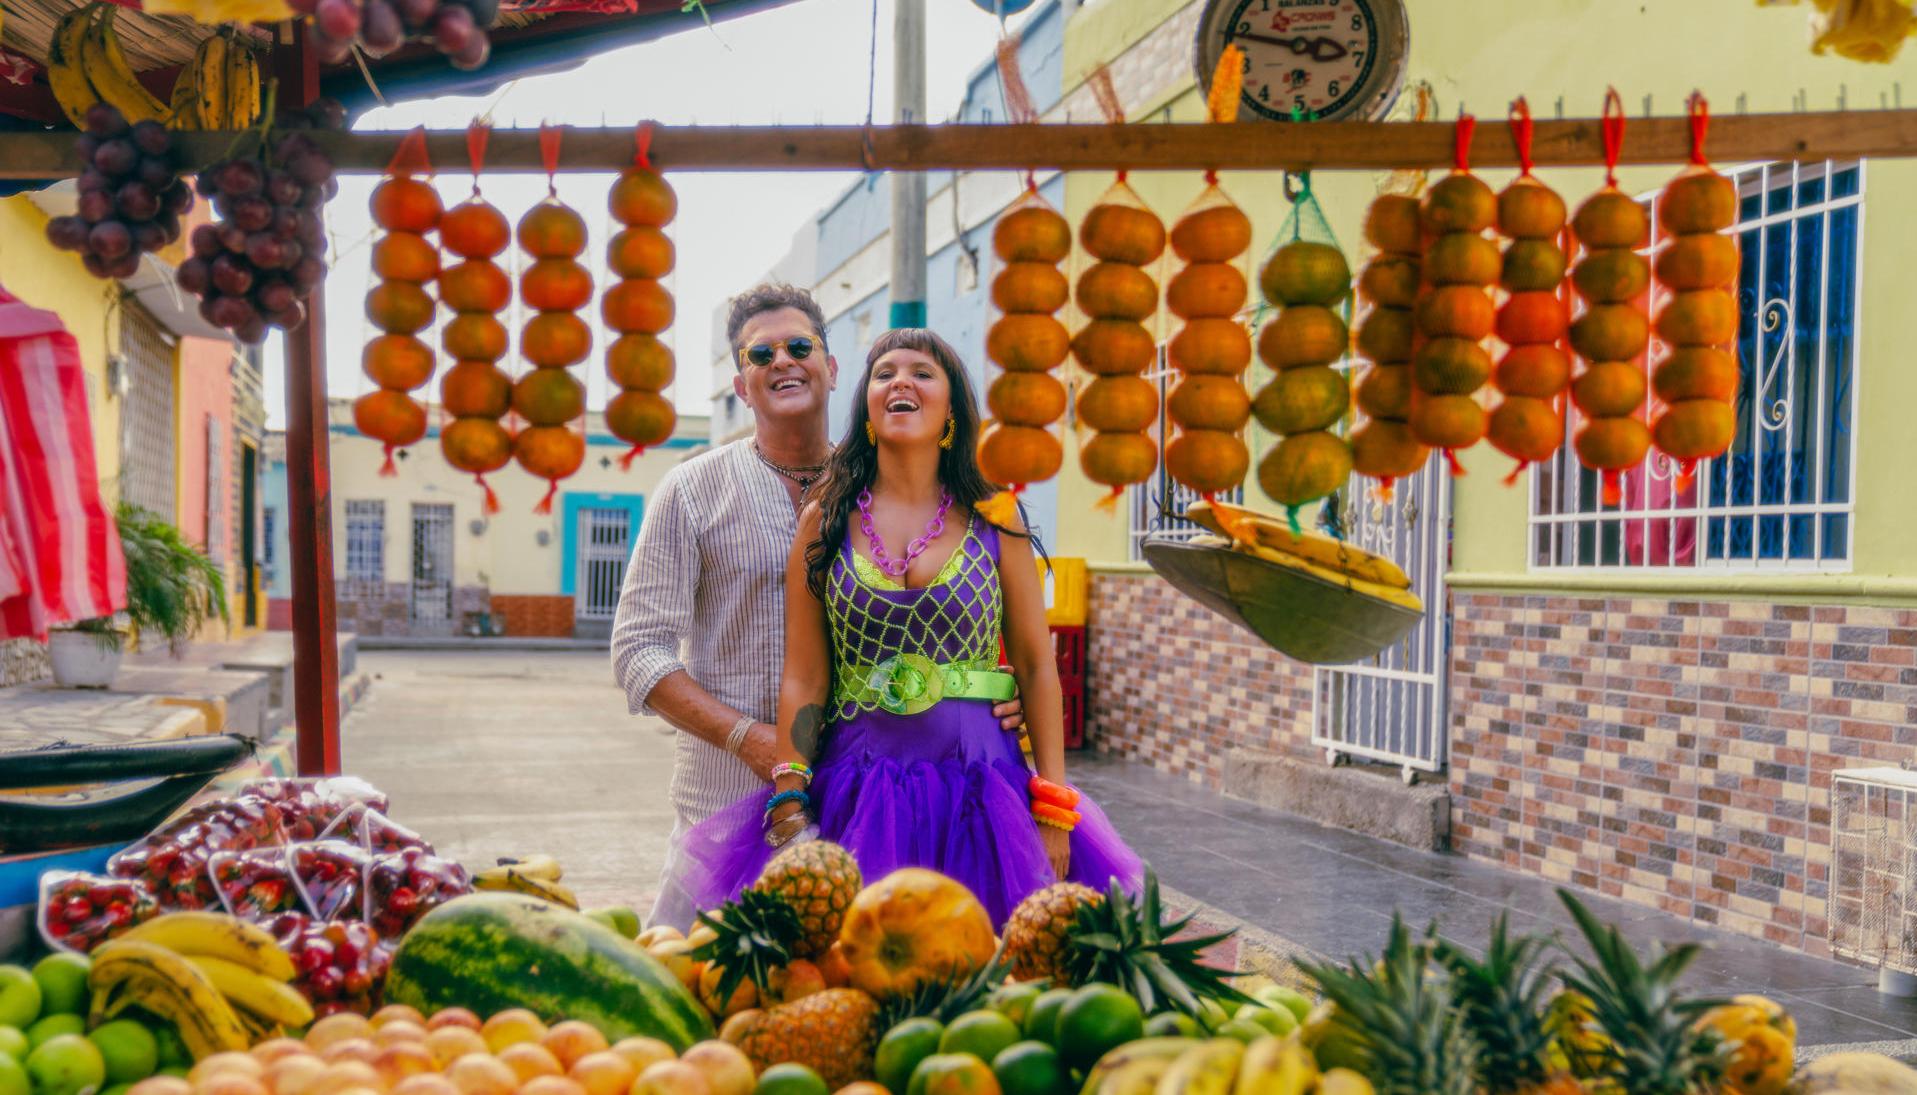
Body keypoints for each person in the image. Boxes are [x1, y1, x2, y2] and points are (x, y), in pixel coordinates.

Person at [679, 328, 1140, 925]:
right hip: (856, 794)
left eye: (922, 373)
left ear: (951, 409)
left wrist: (1054, 807)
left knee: (989, 959)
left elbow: (1033, 665)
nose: (901, 381)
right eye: (885, 373)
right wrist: (790, 792)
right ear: (867, 406)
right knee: (862, 956)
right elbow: (806, 676)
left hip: (984, 792)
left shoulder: (997, 516)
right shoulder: (823, 519)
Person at [610, 286, 1024, 932]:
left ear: (832, 371)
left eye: (799, 346)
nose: (782, 360)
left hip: (857, 803)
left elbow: (948, 606)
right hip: (721, 804)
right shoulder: (692, 490)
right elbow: (638, 652)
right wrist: (750, 740)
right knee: (699, 977)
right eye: (761, 354)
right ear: (741, 386)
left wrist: (990, 689)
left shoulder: (875, 491)